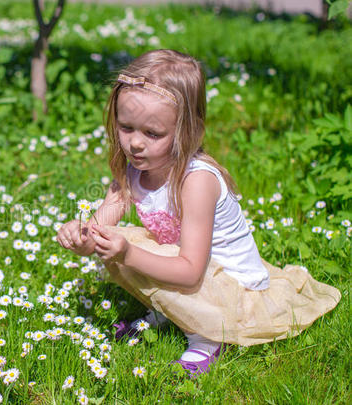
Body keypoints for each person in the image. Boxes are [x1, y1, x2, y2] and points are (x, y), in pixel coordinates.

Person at [56, 49, 341, 375]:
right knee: (116, 240)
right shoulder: (135, 169)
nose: (135, 144)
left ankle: (206, 336)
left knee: (128, 248)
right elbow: (99, 225)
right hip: (193, 268)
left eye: (152, 133)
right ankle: (172, 312)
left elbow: (191, 271)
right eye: (126, 127)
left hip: (230, 287)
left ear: (190, 132)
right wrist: (81, 236)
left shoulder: (197, 181)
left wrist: (128, 254)